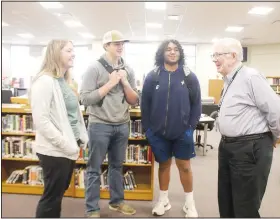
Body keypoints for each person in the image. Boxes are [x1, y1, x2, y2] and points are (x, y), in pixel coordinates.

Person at [212, 38, 280, 218]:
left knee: (244, 207)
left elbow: (278, 110)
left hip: (249, 148)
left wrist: (273, 137)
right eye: (213, 55)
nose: (214, 59)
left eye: (218, 55)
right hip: (228, 146)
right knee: (226, 201)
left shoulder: (250, 76)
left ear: (233, 56)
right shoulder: (229, 79)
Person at [80, 30, 138, 217]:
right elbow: (85, 99)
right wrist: (111, 83)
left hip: (122, 124)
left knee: (116, 167)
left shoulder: (128, 68)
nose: (120, 46)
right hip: (100, 125)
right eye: (116, 43)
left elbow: (134, 100)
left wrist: (125, 82)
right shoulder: (94, 68)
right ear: (106, 46)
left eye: (122, 43)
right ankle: (92, 208)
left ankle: (116, 202)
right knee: (94, 168)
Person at [141, 39, 202, 217]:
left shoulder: (188, 76)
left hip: (182, 131)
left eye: (176, 49)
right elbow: (145, 104)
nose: (172, 52)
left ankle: (189, 204)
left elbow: (196, 104)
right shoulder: (153, 76)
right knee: (164, 165)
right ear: (162, 53)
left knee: (184, 166)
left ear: (180, 53)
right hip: (158, 133)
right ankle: (163, 200)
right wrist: (148, 129)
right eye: (168, 49)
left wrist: (190, 127)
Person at [29, 40, 89, 218]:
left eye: (74, 50)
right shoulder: (44, 81)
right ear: (56, 53)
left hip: (66, 150)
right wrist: (66, 144)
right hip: (55, 150)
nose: (73, 54)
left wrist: (78, 139)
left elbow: (71, 115)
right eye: (69, 50)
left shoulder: (63, 81)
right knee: (51, 199)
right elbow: (42, 122)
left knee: (56, 196)